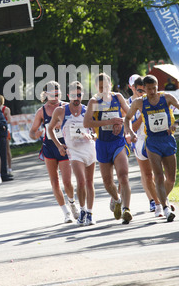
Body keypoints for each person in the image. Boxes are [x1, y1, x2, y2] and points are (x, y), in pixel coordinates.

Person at [124, 75, 179, 222]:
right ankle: (165, 208)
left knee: (171, 179)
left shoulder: (166, 97)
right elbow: (127, 119)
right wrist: (131, 132)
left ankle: (161, 200)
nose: (152, 91)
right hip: (152, 142)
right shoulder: (139, 102)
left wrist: (177, 123)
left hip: (167, 140)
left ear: (157, 86)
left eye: (154, 88)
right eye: (149, 89)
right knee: (158, 176)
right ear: (144, 89)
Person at [83, 72, 132, 224]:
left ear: (110, 85)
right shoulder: (94, 101)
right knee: (107, 182)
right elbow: (87, 123)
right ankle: (116, 200)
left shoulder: (117, 97)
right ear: (96, 88)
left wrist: (121, 122)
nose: (104, 89)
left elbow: (130, 114)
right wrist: (108, 122)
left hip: (118, 142)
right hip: (103, 144)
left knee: (123, 176)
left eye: (106, 86)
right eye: (100, 87)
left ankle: (126, 209)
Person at [48, 81, 96, 226]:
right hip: (74, 151)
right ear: (68, 95)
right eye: (74, 95)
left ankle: (90, 213)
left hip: (88, 149)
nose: (77, 98)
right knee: (81, 181)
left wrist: (92, 136)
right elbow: (50, 129)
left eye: (79, 95)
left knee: (89, 182)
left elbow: (95, 131)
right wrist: (58, 146)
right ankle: (82, 211)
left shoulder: (87, 110)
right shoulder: (61, 111)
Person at [29, 81, 78, 223]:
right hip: (49, 147)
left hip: (63, 146)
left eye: (57, 93)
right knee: (54, 182)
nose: (55, 96)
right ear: (46, 95)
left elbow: (76, 122)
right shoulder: (41, 111)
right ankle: (66, 213)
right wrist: (37, 134)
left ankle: (72, 202)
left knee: (67, 182)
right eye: (52, 94)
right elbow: (32, 132)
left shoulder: (65, 107)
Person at [127, 76, 162, 217]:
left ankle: (161, 199)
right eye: (138, 89)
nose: (141, 92)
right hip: (140, 141)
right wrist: (143, 114)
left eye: (144, 90)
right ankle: (154, 201)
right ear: (132, 88)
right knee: (147, 174)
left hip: (157, 139)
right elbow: (131, 126)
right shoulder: (130, 103)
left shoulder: (157, 99)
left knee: (159, 174)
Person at [0, 94, 13, 178]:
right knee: (2, 151)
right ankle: (3, 168)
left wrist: (1, 123)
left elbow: (9, 120)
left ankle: (9, 167)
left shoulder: (5, 109)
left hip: (5, 130)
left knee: (7, 149)